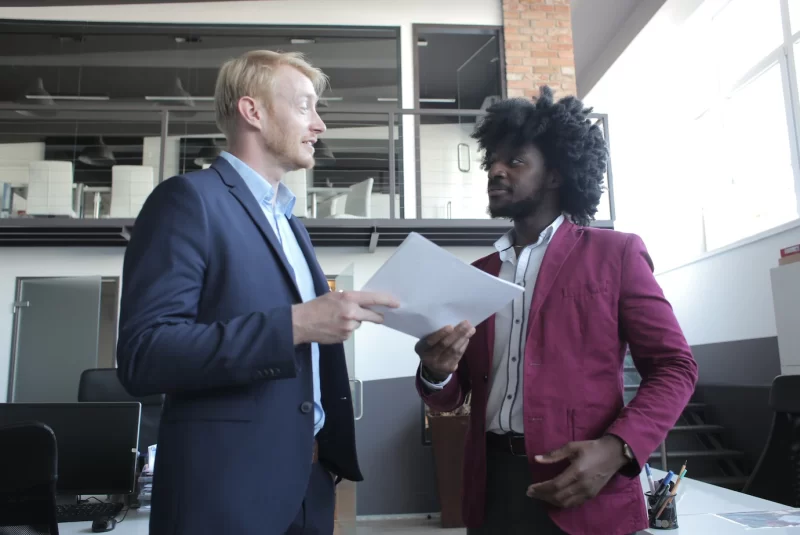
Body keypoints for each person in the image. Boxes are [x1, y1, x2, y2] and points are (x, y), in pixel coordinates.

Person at [116, 50, 397, 535]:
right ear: (253, 112)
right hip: (225, 496)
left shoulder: (292, 223)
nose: (321, 125)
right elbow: (144, 355)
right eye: (306, 106)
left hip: (308, 486)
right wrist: (298, 324)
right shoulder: (187, 200)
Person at [414, 86, 697, 535]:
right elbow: (455, 394)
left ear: (554, 175)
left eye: (516, 162)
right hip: (491, 489)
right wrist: (436, 372)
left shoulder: (616, 253)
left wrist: (618, 448)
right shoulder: (477, 274)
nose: (496, 171)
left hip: (586, 483)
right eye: (493, 162)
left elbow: (676, 367)